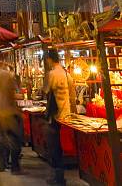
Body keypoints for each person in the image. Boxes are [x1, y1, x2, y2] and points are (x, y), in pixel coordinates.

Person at [45, 48, 76, 185]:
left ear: (50, 59)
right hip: (66, 113)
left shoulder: (52, 74)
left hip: (55, 115)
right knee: (60, 145)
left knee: (55, 146)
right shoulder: (65, 73)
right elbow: (72, 92)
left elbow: (46, 90)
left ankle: (58, 177)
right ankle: (59, 176)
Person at [0, 63, 23, 175]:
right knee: (14, 139)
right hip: (8, 114)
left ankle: (2, 164)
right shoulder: (9, 80)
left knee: (0, 139)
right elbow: (14, 95)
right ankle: (14, 166)